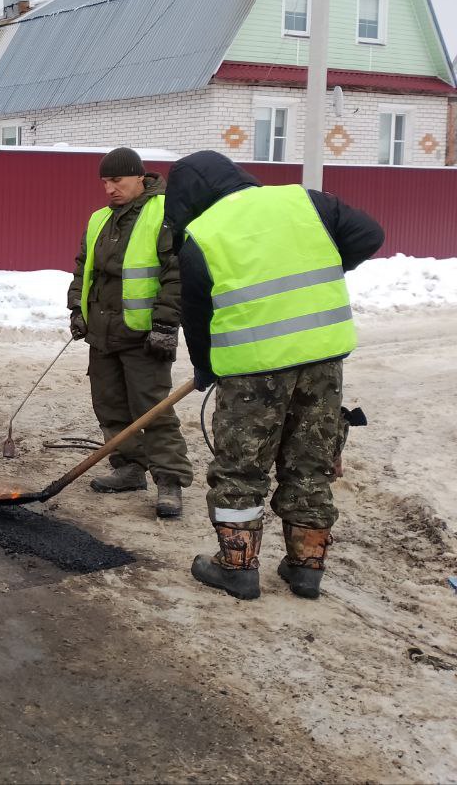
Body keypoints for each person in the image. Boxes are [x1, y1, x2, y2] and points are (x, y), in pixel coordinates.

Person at [164, 150, 383, 600]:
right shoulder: (305, 202)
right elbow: (369, 235)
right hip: (322, 359)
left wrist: (206, 367)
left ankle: (237, 568)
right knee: (311, 462)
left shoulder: (202, 235)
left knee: (242, 468)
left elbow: (197, 316)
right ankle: (306, 569)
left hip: (251, 372)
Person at [66, 146, 192, 518]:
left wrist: (166, 324)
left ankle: (169, 481)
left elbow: (175, 273)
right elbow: (82, 268)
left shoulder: (164, 213)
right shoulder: (99, 220)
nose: (109, 188)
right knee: (109, 405)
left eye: (116, 180)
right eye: (105, 182)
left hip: (144, 336)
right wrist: (77, 307)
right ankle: (128, 468)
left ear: (140, 176)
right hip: (103, 333)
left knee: (152, 410)